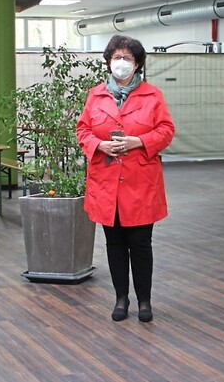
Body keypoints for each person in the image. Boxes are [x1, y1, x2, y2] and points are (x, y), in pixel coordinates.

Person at [76, 35, 175, 322]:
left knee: (141, 243)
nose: (121, 63)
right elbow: (83, 130)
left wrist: (139, 142)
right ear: (108, 62)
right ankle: (121, 298)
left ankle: (145, 300)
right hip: (106, 182)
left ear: (137, 64)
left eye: (127, 59)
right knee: (114, 243)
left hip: (141, 182)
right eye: (116, 58)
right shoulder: (95, 95)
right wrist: (99, 145)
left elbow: (166, 130)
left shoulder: (152, 95)